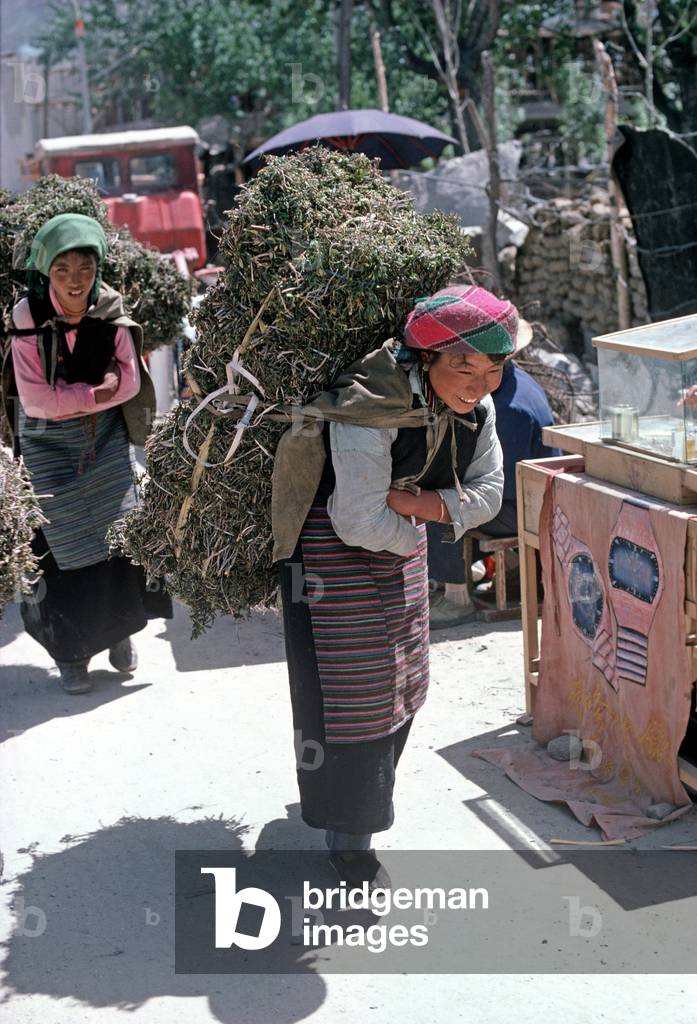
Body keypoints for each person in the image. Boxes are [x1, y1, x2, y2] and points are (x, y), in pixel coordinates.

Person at [272, 284, 527, 891]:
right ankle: (350, 838)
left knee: (405, 685)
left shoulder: (478, 412)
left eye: (493, 368)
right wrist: (424, 523)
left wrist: (422, 506)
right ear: (423, 358)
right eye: (462, 364)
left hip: (403, 543)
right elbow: (355, 517)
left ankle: (356, 808)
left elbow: (491, 491)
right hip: (331, 561)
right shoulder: (370, 405)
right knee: (351, 701)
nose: (479, 382)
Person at [4, 213, 172, 694]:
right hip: (45, 445)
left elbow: (132, 383)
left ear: (97, 269)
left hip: (103, 441)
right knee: (62, 548)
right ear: (46, 272)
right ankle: (71, 654)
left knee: (117, 536)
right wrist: (97, 394)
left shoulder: (110, 309)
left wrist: (89, 399)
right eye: (63, 270)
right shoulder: (28, 317)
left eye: (84, 268)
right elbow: (35, 400)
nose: (75, 281)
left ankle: (120, 634)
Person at [427, 351, 561, 628]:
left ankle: (456, 597)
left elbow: (497, 486)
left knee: (439, 508)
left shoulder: (511, 409)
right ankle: (499, 570)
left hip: (526, 507)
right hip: (526, 498)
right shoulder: (515, 380)